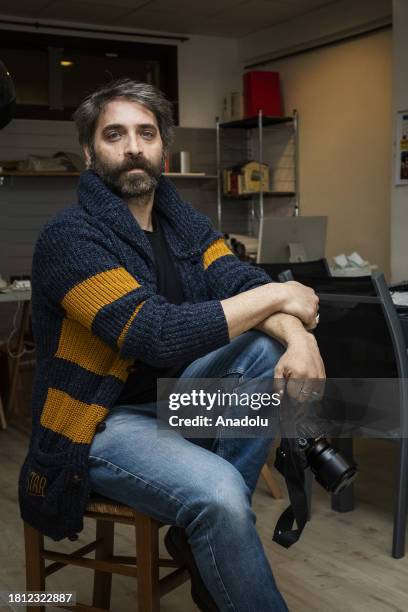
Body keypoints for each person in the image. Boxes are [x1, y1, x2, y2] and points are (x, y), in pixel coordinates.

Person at [18, 78, 325, 612]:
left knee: (265, 349)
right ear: (91, 153)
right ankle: (212, 512)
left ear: (162, 148)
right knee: (222, 493)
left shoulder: (185, 227)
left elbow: (241, 285)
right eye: (115, 134)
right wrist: (283, 293)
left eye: (146, 133)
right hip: (99, 423)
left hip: (175, 404)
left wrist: (300, 340)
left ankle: (201, 527)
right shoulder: (68, 238)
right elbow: (153, 333)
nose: (133, 146)